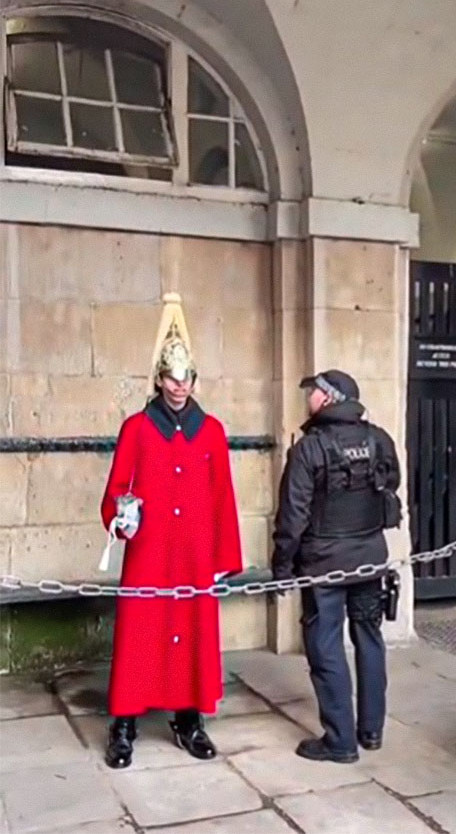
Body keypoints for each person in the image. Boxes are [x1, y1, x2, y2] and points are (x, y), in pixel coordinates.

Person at [100, 293, 243, 769]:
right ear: (158, 380)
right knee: (140, 637)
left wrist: (225, 559)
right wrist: (121, 516)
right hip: (151, 554)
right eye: (170, 377)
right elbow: (119, 486)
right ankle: (124, 723)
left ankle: (188, 718)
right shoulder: (136, 428)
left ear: (194, 380)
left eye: (185, 378)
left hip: (196, 557)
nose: (178, 386)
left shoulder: (213, 432)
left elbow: (224, 497)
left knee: (192, 635)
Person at [272, 370, 401, 763]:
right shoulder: (379, 440)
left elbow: (292, 516)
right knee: (369, 638)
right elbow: (391, 488)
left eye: (314, 391)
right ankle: (371, 731)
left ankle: (340, 741)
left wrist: (283, 567)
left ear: (329, 398)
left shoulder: (309, 449)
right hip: (368, 559)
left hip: (324, 565)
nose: (308, 396)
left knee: (325, 645)